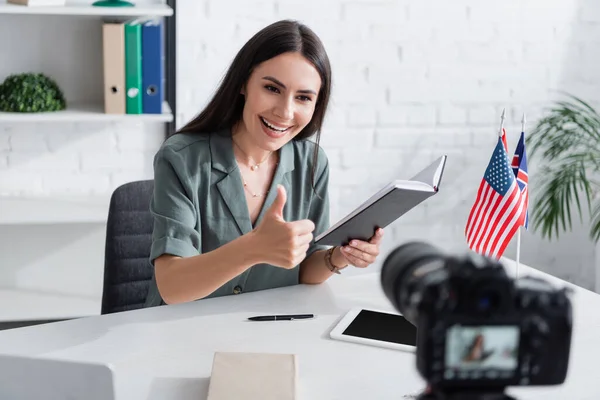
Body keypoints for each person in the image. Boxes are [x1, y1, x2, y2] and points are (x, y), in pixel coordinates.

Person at [144, 19, 384, 307]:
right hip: (180, 334)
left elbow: (304, 270)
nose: (285, 111)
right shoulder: (181, 158)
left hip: (267, 330)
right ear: (244, 83)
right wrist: (253, 248)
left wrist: (340, 256)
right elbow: (171, 287)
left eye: (304, 98)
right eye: (272, 89)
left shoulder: (313, 163)